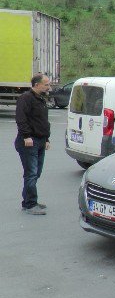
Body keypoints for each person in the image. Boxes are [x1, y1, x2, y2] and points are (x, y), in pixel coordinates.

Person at [15, 74, 51, 215]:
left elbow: (43, 121)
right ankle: (31, 205)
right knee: (31, 173)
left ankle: (27, 201)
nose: (49, 87)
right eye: (46, 84)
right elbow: (21, 118)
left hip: (40, 141)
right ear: (37, 85)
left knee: (36, 173)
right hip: (29, 142)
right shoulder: (26, 98)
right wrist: (26, 136)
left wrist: (47, 139)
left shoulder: (41, 99)